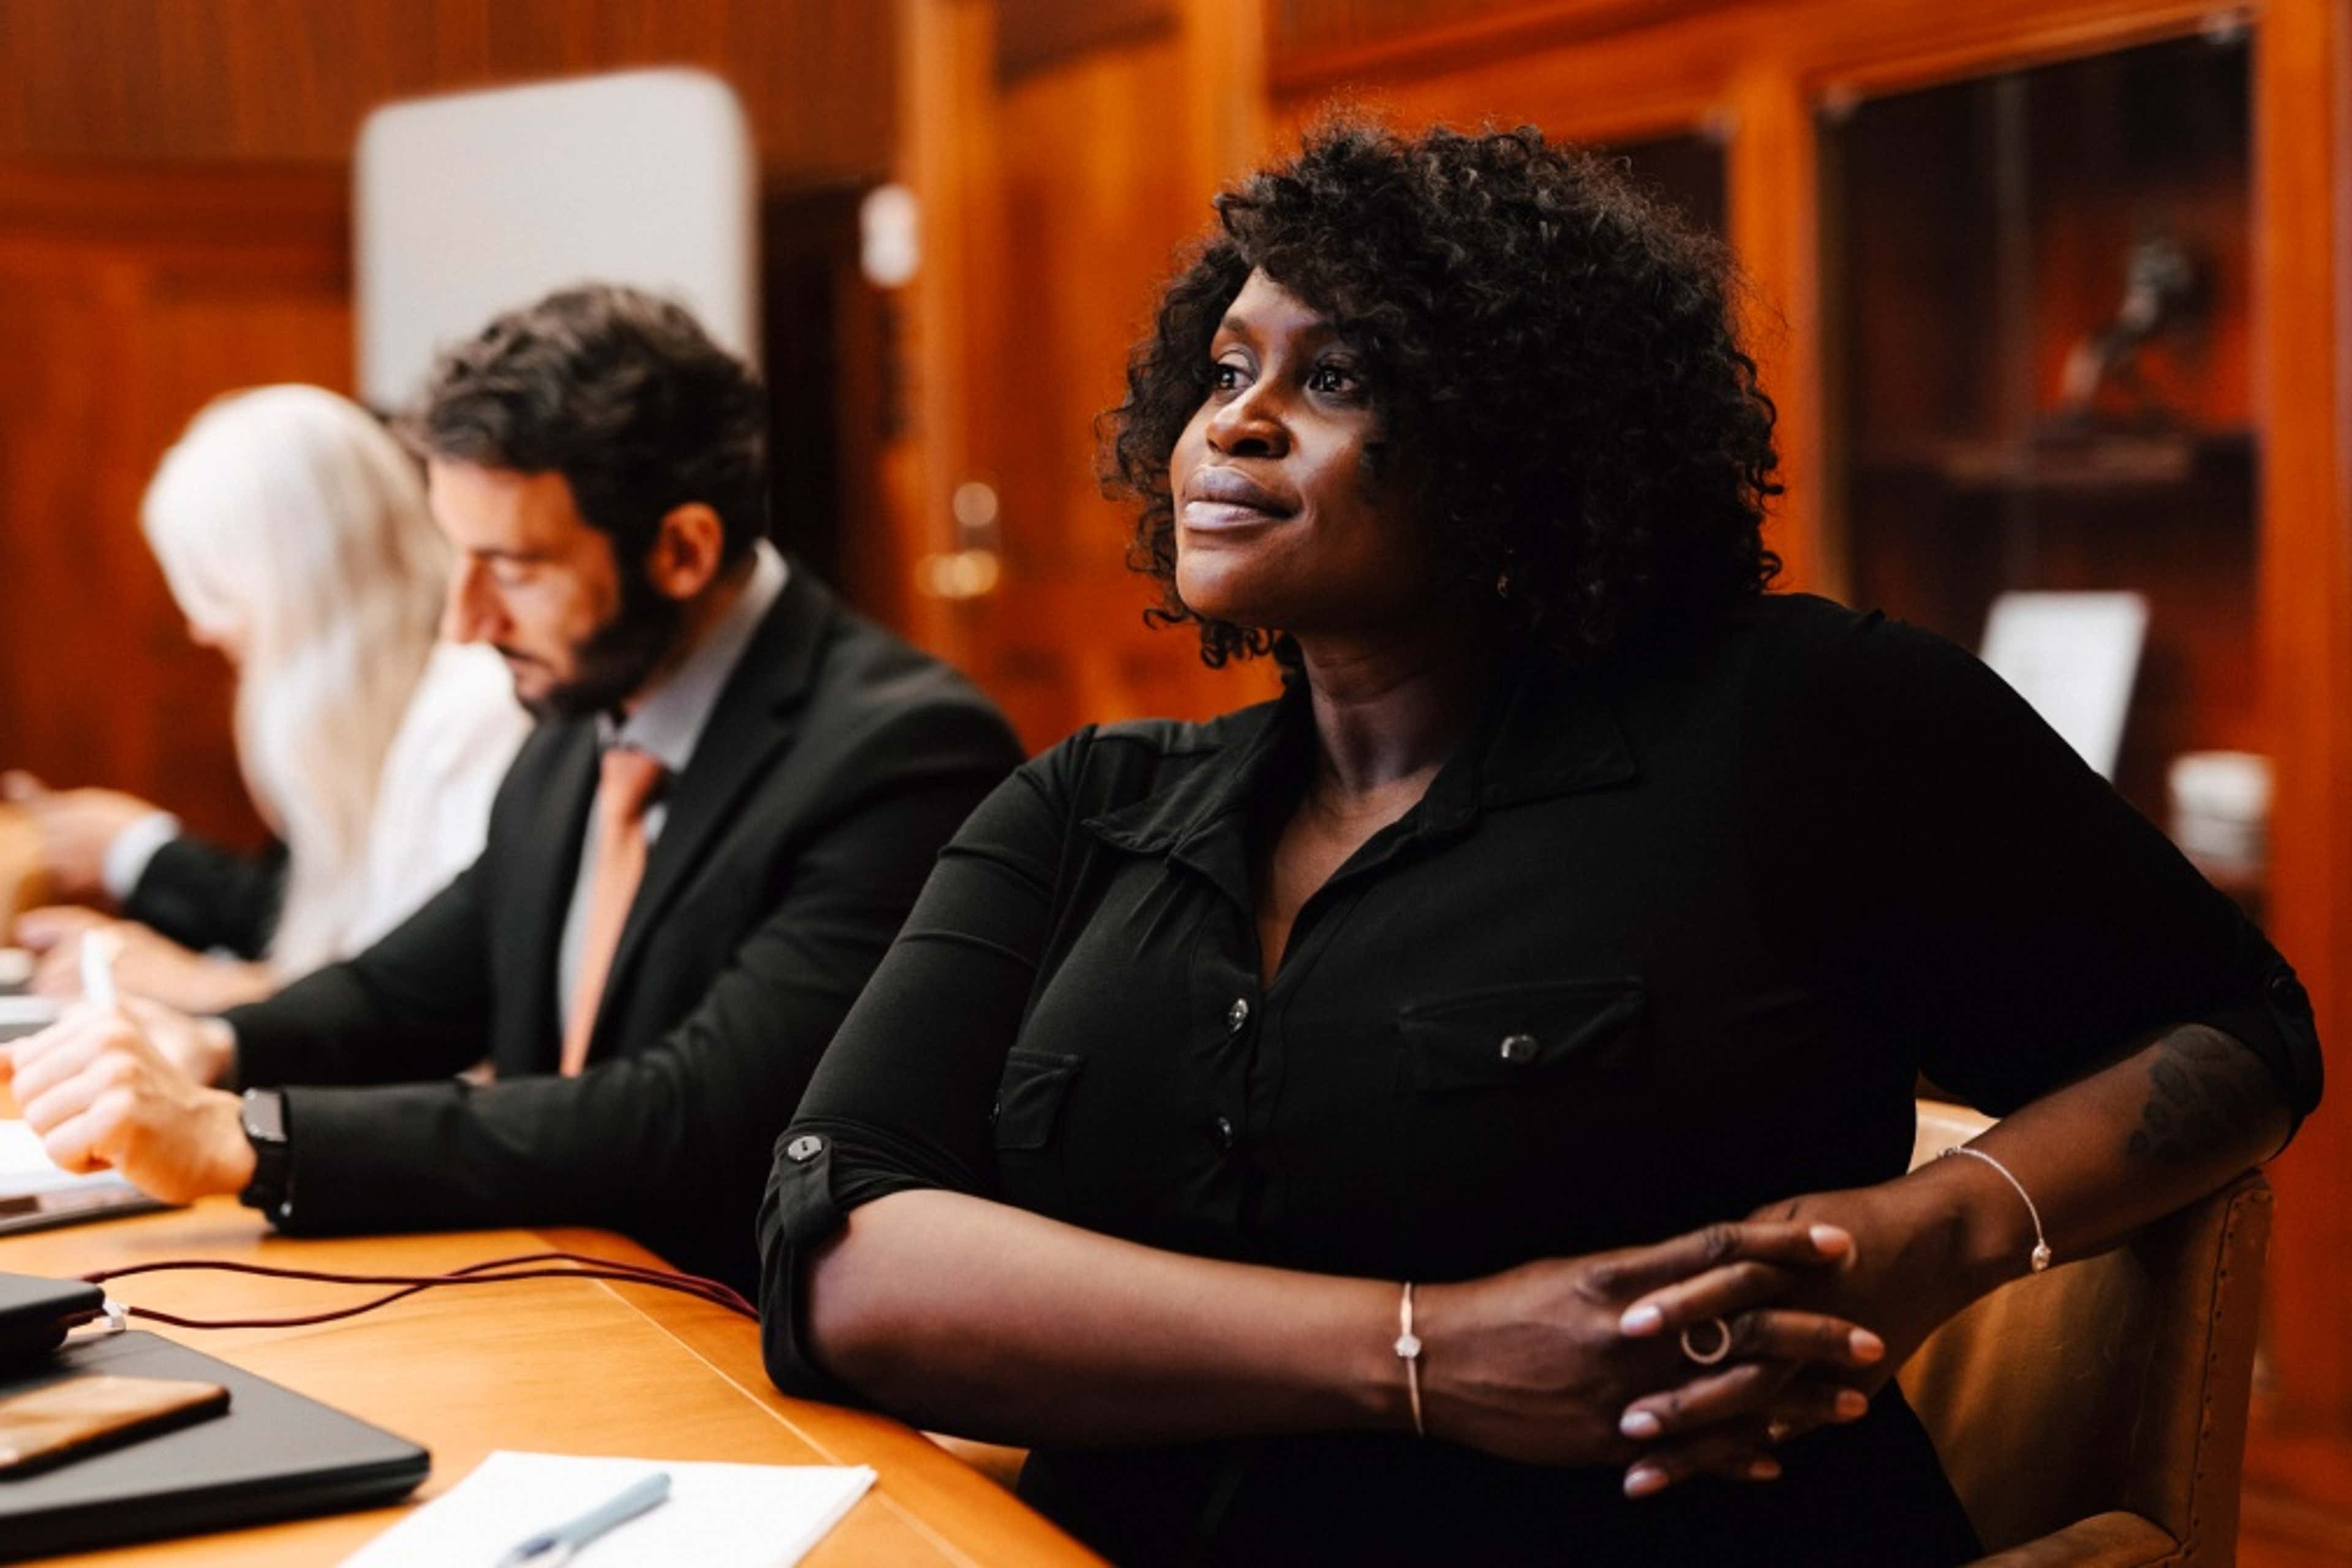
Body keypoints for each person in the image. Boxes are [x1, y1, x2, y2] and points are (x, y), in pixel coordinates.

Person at [755, 124, 2323, 1566]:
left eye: (1337, 377)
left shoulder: (1795, 722)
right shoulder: (1085, 804)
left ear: (1516, 447)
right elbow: (836, 1260)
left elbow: (2240, 1024)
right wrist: (1426, 1349)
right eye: (1225, 366)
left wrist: (1946, 1224)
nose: (1232, 419)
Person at [3, 285, 1023, 1291]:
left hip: (742, 1348)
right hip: (559, 1287)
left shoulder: (904, 755)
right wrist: (213, 1045)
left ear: (683, 549)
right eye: (459, 558)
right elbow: (411, 990)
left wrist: (251, 1139)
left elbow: (692, 1115)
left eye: (513, 567)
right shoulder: (588, 702)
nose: (466, 621)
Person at [5, 386, 528, 1012]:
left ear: (287, 584)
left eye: (214, 588)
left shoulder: (470, 713)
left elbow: (422, 1012)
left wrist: (203, 988)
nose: (203, 629)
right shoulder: (378, 721)